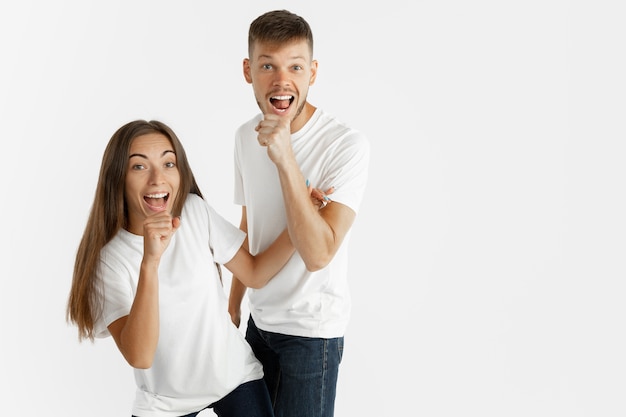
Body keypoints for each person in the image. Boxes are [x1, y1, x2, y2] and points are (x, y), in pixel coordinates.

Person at [65, 119, 328, 417]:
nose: (157, 179)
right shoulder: (110, 260)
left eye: (168, 163)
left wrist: (305, 216)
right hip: (164, 400)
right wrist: (150, 262)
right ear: (117, 178)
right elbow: (139, 355)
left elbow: (255, 273)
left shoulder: (193, 211)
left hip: (234, 377)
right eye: (139, 166)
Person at [228, 10, 370, 417]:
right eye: (267, 65)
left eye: (295, 66)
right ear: (247, 71)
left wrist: (285, 157)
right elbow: (249, 222)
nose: (281, 80)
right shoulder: (243, 136)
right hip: (259, 323)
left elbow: (318, 253)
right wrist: (232, 305)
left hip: (311, 335)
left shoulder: (346, 146)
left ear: (313, 72)